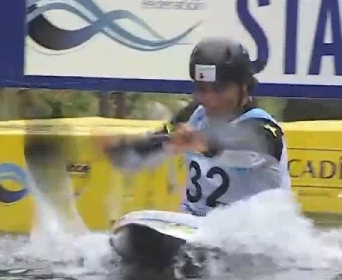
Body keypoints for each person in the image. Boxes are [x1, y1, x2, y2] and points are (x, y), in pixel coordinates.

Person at [99, 36, 291, 217]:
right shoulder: (195, 114)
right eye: (202, 89)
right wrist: (121, 152)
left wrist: (204, 144)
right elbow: (158, 144)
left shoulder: (264, 128)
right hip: (194, 226)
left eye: (219, 89)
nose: (209, 100)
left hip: (253, 234)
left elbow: (248, 149)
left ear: (244, 86)